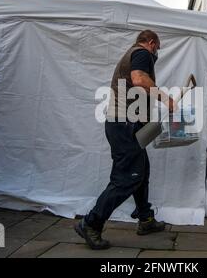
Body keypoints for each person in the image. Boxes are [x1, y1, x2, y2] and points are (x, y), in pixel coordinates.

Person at [75, 30, 176, 250]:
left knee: (142, 171)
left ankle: (145, 219)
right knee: (128, 177)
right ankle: (90, 223)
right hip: (123, 125)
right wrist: (166, 99)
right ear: (151, 43)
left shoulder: (133, 54)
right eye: (157, 48)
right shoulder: (142, 53)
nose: (156, 53)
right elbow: (139, 79)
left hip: (126, 124)